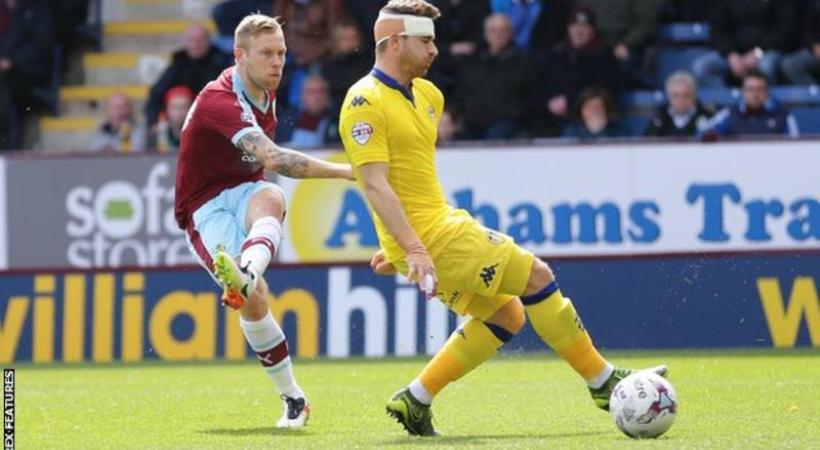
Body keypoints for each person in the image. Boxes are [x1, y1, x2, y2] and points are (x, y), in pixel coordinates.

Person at [338, 0, 667, 436]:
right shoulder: (363, 101)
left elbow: (408, 176)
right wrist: (410, 246)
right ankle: (603, 382)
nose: (435, 50)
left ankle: (416, 398)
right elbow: (373, 183)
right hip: (430, 238)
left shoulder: (429, 95)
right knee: (536, 276)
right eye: (426, 41)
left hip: (428, 233)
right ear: (395, 42)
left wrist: (397, 245)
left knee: (507, 315)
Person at [174, 14, 354, 429]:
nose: (278, 62)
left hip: (245, 189)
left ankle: (246, 273)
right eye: (267, 54)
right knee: (255, 299)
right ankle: (294, 397)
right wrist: (347, 172)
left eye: (282, 53)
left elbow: (263, 169)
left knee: (270, 196)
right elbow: (274, 158)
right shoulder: (220, 99)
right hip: (205, 207)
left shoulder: (265, 87)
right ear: (240, 56)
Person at [145, 24, 230, 128]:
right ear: (186, 42)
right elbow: (156, 94)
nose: (196, 44)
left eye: (201, 40)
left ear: (209, 41)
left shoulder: (222, 63)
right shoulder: (179, 64)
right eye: (192, 40)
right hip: (181, 124)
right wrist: (153, 122)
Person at [701, 69, 799, 139]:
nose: (755, 94)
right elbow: (702, 135)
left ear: (767, 92)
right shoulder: (730, 114)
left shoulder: (782, 115)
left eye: (760, 89)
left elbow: (794, 145)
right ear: (743, 91)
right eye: (750, 89)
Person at [645, 71, 712, 138]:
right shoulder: (658, 119)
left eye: (686, 95)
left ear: (694, 95)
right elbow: (647, 141)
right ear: (669, 96)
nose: (681, 100)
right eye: (676, 95)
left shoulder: (708, 119)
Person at [151, 85, 193, 152]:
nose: (179, 111)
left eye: (184, 107)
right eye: (174, 107)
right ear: (167, 109)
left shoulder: (198, 135)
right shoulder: (157, 134)